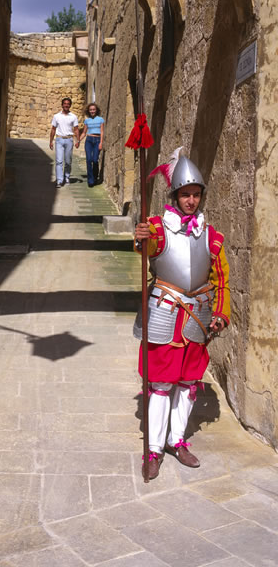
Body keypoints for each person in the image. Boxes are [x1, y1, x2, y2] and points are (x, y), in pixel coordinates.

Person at [133, 149, 230, 479]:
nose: (191, 200)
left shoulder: (210, 234)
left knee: (189, 383)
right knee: (161, 384)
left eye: (196, 194)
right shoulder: (159, 227)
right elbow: (149, 249)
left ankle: (178, 441)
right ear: (175, 195)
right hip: (166, 313)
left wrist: (221, 313)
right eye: (186, 194)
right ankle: (154, 449)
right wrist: (140, 239)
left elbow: (221, 278)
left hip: (199, 316)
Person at [49, 97, 80, 187]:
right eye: (65, 104)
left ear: (70, 105)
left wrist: (77, 140)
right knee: (59, 161)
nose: (66, 105)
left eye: (68, 104)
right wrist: (51, 141)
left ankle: (66, 177)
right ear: (62, 105)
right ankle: (59, 180)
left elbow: (76, 129)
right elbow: (53, 129)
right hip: (59, 140)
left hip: (69, 140)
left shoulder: (73, 117)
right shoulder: (56, 116)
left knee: (68, 161)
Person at [79, 102, 105, 187]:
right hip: (89, 140)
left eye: (94, 109)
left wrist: (101, 143)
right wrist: (78, 140)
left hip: (97, 140)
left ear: (96, 110)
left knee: (95, 160)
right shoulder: (87, 121)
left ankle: (95, 177)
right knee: (89, 160)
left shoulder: (100, 119)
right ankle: (90, 180)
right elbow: (84, 132)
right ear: (88, 111)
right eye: (91, 110)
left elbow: (102, 132)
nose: (92, 111)